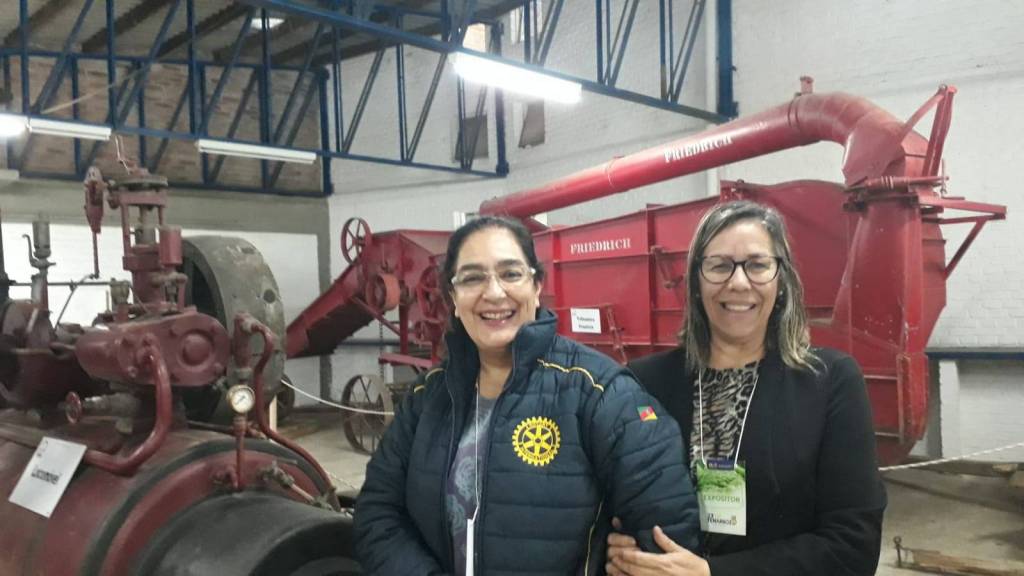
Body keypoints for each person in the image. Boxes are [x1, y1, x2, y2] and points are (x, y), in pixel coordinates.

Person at [354, 216, 701, 575]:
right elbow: (377, 513)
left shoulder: (600, 393)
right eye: (472, 278)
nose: (493, 292)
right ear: (453, 298)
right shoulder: (426, 397)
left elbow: (664, 544)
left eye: (510, 274)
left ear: (536, 287)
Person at [607, 201, 886, 576]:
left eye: (757, 265)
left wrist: (712, 573)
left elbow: (853, 546)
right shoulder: (645, 383)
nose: (738, 283)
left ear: (781, 280)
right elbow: (610, 505)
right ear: (696, 281)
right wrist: (617, 543)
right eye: (719, 265)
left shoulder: (829, 381)